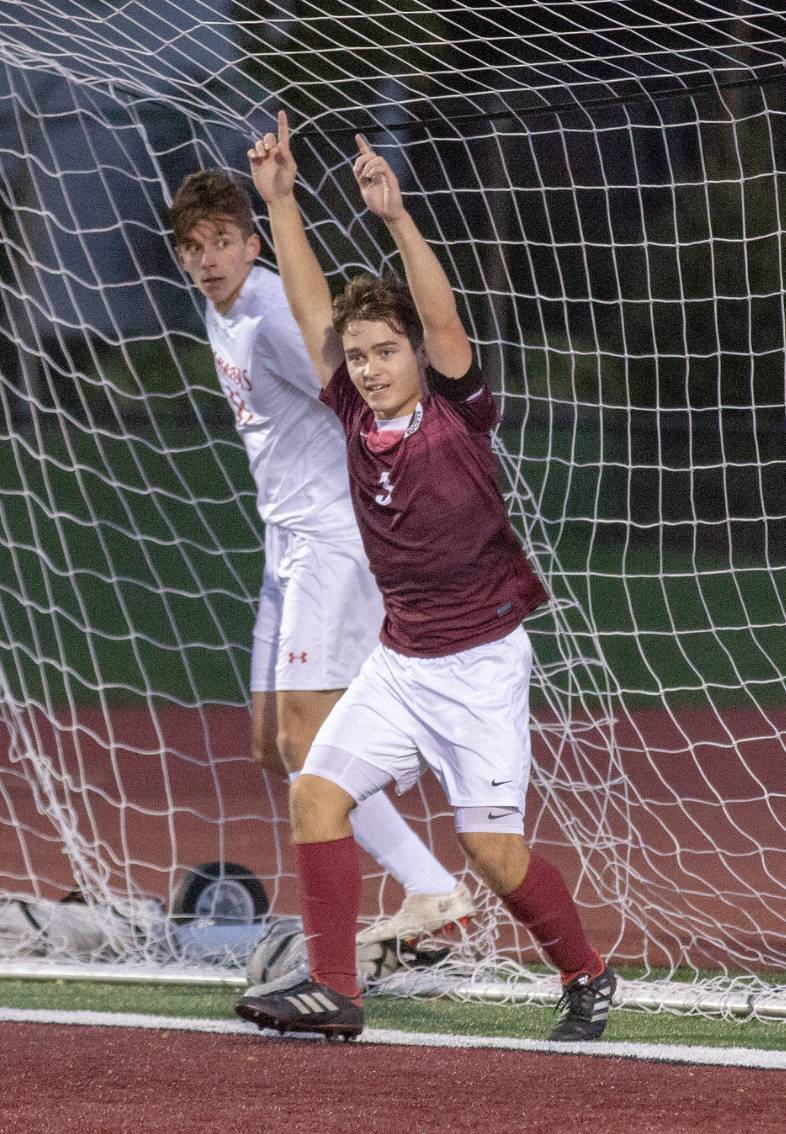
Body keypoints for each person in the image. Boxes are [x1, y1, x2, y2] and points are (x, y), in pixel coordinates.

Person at [234, 112, 616, 1044]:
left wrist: (398, 220)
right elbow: (313, 306)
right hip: (402, 663)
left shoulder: (457, 408)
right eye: (358, 357)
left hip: (481, 665)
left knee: (491, 851)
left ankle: (588, 976)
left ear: (415, 354)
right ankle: (334, 990)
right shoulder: (353, 414)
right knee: (315, 791)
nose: (366, 368)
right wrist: (280, 201)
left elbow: (440, 317)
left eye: (384, 351)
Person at [168, 167, 476, 948]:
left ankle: (434, 890)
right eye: (192, 248)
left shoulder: (269, 312)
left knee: (309, 742)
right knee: (272, 745)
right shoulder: (222, 311)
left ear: (252, 242)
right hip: (287, 543)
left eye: (222, 244)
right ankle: (427, 880)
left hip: (334, 540)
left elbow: (353, 395)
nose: (208, 260)